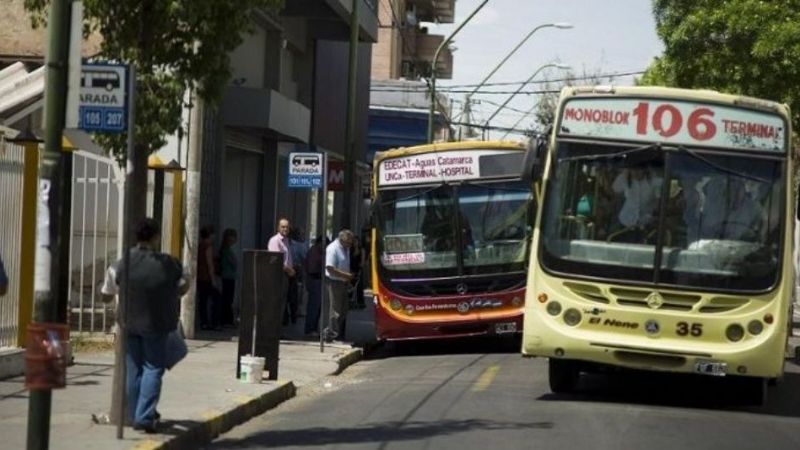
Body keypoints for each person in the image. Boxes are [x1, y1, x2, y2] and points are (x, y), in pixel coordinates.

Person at [101, 218, 190, 433]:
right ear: (156, 237)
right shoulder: (169, 264)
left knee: (134, 370)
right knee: (153, 368)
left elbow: (105, 295)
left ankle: (136, 414)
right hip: (158, 325)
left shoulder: (121, 264)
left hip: (129, 324)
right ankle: (144, 415)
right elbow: (181, 288)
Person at [611, 165, 663, 241]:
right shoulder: (625, 179)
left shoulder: (654, 181)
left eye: (639, 169)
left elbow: (660, 201)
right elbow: (614, 189)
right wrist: (624, 173)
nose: (635, 172)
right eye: (633, 169)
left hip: (646, 224)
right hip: (626, 222)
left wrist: (654, 213)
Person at [323, 229, 354, 342]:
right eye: (348, 243)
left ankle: (338, 333)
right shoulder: (333, 249)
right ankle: (331, 334)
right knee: (335, 310)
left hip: (343, 282)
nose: (350, 245)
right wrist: (346, 275)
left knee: (343, 309)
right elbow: (330, 269)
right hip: (334, 282)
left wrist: (347, 279)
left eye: (351, 243)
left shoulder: (346, 248)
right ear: (342, 240)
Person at [267, 218, 295, 328]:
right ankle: (272, 329)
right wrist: (289, 270)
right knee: (277, 302)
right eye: (283, 227)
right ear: (278, 228)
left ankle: (277, 329)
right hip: (278, 275)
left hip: (286, 275)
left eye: (287, 227)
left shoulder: (286, 240)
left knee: (282, 303)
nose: (285, 229)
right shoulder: (275, 240)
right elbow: (276, 260)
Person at [196, 226, 219, 330]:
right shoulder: (208, 246)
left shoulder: (200, 246)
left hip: (200, 277)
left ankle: (204, 322)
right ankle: (214, 323)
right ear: (210, 235)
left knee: (203, 301)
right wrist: (213, 280)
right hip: (207, 278)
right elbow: (210, 264)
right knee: (216, 299)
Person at [304, 236, 325, 337]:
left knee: (317, 307)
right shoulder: (314, 252)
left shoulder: (318, 251)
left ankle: (313, 328)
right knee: (313, 307)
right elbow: (312, 269)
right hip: (315, 281)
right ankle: (310, 328)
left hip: (318, 281)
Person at [218, 228, 238, 328]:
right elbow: (234, 264)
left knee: (227, 298)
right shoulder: (226, 251)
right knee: (227, 299)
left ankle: (226, 319)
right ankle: (226, 320)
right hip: (228, 277)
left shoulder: (225, 250)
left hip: (228, 276)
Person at [349, 236, 366, 309]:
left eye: (356, 241)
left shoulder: (362, 250)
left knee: (358, 286)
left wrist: (360, 268)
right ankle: (350, 301)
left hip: (358, 270)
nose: (355, 243)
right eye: (354, 241)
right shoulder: (350, 250)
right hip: (350, 270)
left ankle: (359, 302)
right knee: (350, 286)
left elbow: (362, 262)